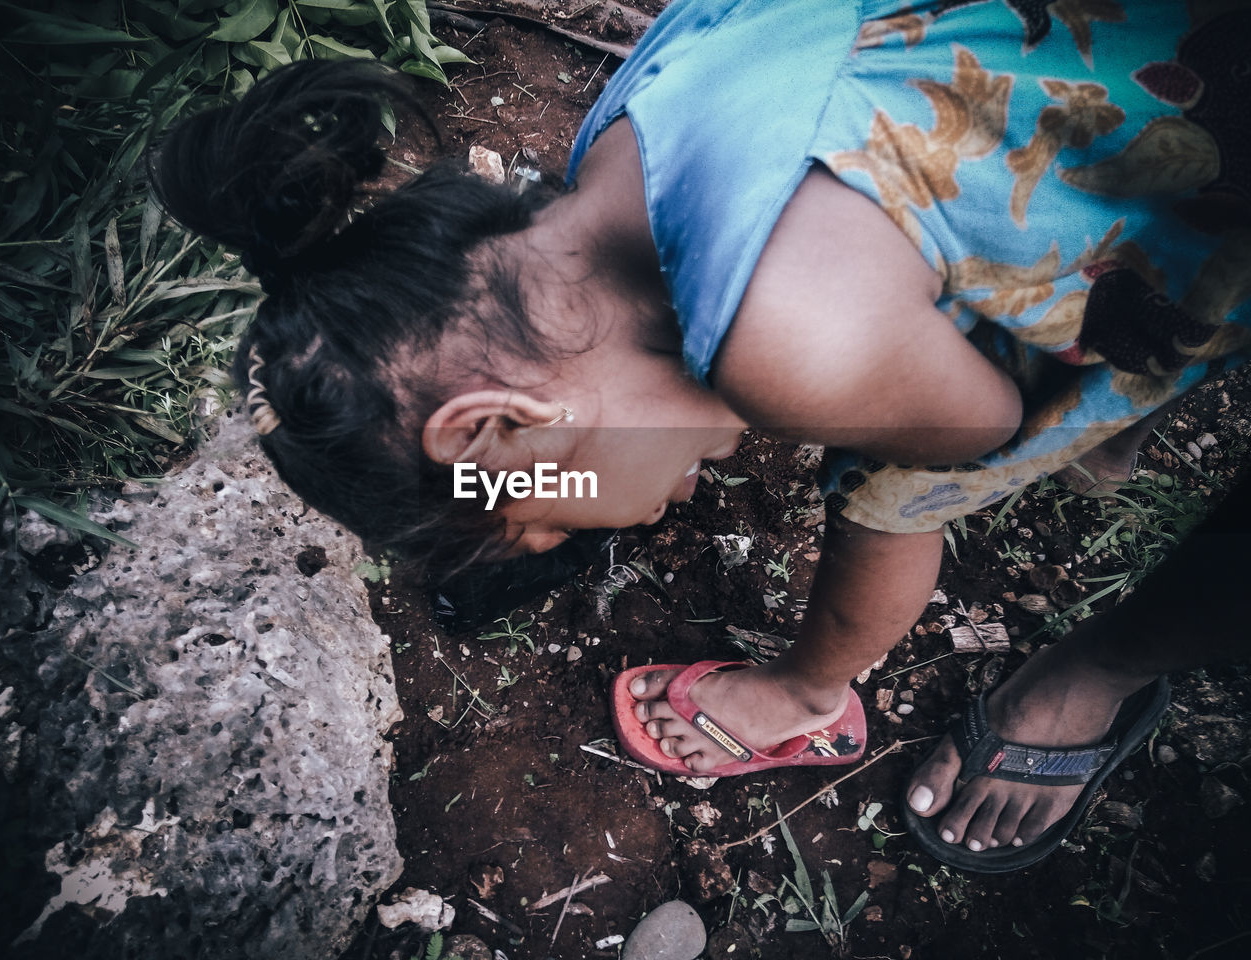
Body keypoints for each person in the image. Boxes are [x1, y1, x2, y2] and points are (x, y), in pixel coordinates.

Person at [151, 0, 1251, 872]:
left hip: (1201, 151)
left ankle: (812, 693)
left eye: (536, 521)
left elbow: (981, 427)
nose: (632, 517)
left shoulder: (790, 345)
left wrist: (773, 396)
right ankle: (1137, 413)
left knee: (885, 490)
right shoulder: (615, 145)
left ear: (497, 427)